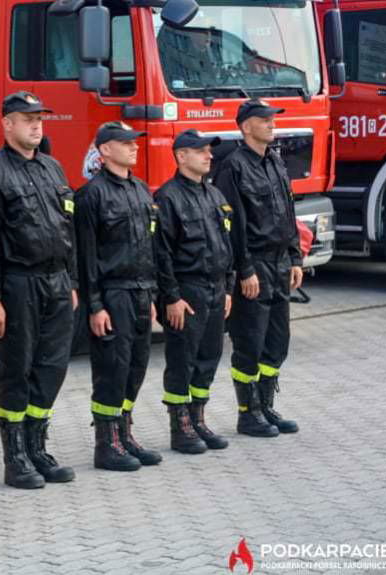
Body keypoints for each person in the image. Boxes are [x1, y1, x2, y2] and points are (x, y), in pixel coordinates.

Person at [0, 91, 78, 489]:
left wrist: (71, 281)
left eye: (39, 119)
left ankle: (37, 447)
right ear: (7, 124)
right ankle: (15, 457)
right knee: (18, 369)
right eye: (27, 119)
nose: (36, 125)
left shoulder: (53, 168)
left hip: (55, 283)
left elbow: (67, 228)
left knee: (51, 367)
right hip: (17, 284)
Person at [74, 121, 163, 471]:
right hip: (113, 294)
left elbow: (149, 247)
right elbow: (87, 255)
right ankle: (106, 444)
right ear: (105, 149)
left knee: (135, 367)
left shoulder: (140, 189)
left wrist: (153, 296)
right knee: (112, 368)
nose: (133, 147)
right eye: (125, 143)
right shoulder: (92, 194)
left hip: (141, 292)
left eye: (134, 142)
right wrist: (95, 305)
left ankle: (124, 434)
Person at [213, 99, 303, 437]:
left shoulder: (275, 162)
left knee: (277, 341)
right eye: (264, 119)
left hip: (280, 262)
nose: (271, 124)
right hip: (255, 265)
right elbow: (232, 225)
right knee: (249, 340)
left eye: (271, 119)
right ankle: (247, 412)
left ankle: (266, 405)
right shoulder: (232, 167)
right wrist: (245, 270)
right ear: (246, 126)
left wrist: (295, 257)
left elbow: (287, 212)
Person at [155, 129, 234, 454]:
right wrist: (171, 297)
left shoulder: (214, 196)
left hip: (215, 289)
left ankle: (198, 419)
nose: (209, 156)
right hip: (187, 291)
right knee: (182, 360)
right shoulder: (168, 197)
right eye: (201, 151)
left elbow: (226, 244)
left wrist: (228, 288)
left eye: (209, 151)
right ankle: (180, 426)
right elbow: (161, 253)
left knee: (209, 357)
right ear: (181, 156)